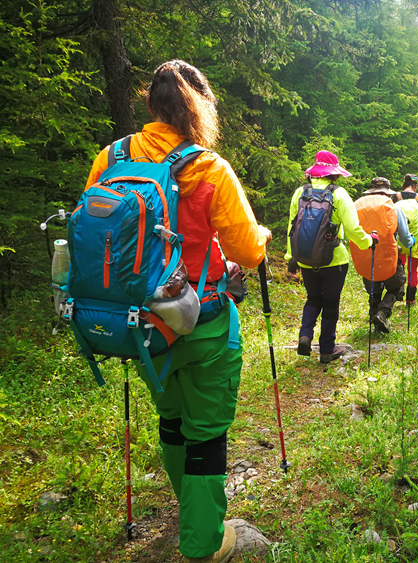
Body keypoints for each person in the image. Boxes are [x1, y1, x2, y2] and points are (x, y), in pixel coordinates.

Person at [85, 60, 271, 563]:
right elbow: (249, 252)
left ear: (150, 104)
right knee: (207, 431)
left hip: (140, 323)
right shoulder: (207, 167)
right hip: (202, 320)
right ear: (201, 107)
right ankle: (204, 543)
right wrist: (264, 238)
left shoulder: (111, 157)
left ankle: (185, 503)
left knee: (172, 417)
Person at [286, 150, 373, 363]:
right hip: (334, 260)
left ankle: (305, 335)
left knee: (313, 298)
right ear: (333, 174)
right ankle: (326, 350)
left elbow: (292, 227)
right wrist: (368, 241)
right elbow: (352, 229)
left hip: (305, 258)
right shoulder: (340, 194)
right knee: (331, 303)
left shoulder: (300, 192)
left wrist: (291, 256)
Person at [350, 177, 415, 333]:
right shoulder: (393, 208)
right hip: (388, 257)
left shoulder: (357, 207)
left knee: (374, 290)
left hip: (366, 257)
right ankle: (382, 313)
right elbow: (406, 240)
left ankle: (375, 321)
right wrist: (412, 241)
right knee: (395, 286)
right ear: (387, 192)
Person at [391, 174, 418, 304]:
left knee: (399, 265)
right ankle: (411, 299)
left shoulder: (394, 197)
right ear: (415, 185)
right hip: (414, 239)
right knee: (412, 269)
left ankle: (399, 289)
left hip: (397, 238)